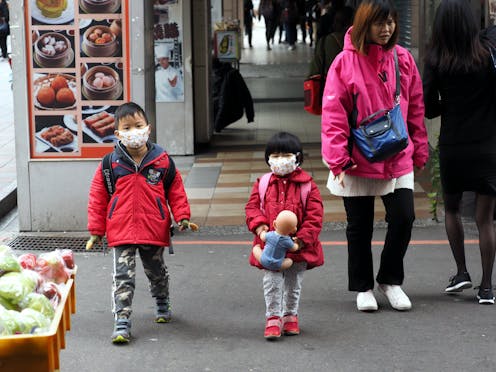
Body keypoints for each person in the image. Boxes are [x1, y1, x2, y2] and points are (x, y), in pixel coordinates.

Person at [321, 0, 429, 312]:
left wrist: (419, 147)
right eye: (379, 23)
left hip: (397, 154)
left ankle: (390, 279)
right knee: (360, 226)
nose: (386, 29)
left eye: (391, 22)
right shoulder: (344, 63)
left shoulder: (404, 59)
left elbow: (416, 108)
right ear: (364, 25)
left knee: (404, 217)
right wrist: (337, 158)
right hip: (357, 156)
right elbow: (333, 114)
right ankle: (363, 286)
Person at [86, 102, 196, 344]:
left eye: (138, 125)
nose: (133, 131)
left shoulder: (162, 161)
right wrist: (96, 230)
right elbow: (98, 197)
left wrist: (183, 216)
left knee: (156, 271)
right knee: (123, 277)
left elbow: (175, 190)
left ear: (148, 128)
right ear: (117, 134)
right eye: (127, 127)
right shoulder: (109, 164)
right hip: (121, 230)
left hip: (153, 228)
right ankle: (122, 320)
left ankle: (161, 299)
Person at [423, 0, 496, 304]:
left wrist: (449, 106)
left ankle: (462, 272)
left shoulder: (436, 59)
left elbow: (427, 108)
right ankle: (487, 288)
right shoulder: (488, 54)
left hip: (454, 145)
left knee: (451, 209)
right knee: (485, 219)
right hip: (489, 145)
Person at [245, 131, 324, 340]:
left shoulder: (308, 185)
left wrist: (299, 241)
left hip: (297, 248)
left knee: (293, 283)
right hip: (269, 247)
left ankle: (290, 315)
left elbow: (315, 217)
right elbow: (252, 208)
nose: (281, 160)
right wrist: (260, 228)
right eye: (276, 155)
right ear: (268, 159)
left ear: (297, 157)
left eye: (286, 155)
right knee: (271, 281)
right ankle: (272, 317)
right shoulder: (263, 183)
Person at [308, 6, 354, 79]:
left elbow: (314, 72)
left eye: (336, 21)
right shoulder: (362, 44)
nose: (333, 24)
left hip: (329, 85)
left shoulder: (325, 42)